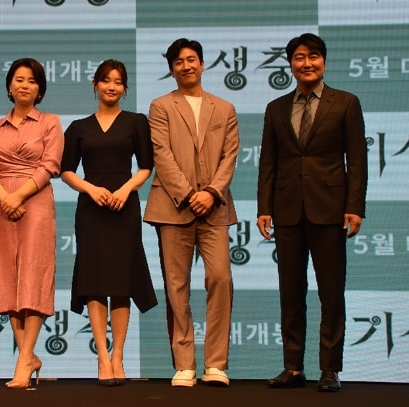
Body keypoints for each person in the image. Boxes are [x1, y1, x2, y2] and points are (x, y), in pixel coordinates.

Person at [257, 33, 367, 393]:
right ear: (290, 64)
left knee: (331, 292)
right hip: (288, 211)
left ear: (324, 61)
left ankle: (330, 369)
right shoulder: (276, 108)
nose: (307, 63)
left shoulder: (346, 103)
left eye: (314, 56)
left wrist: (354, 207)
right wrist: (264, 208)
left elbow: (357, 160)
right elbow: (268, 163)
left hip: (331, 209)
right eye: (300, 57)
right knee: (291, 292)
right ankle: (292, 368)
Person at [143, 38, 239, 388]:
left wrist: (211, 192)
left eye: (192, 59)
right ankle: (184, 363)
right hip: (173, 207)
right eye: (179, 61)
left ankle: (216, 364)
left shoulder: (224, 107)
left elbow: (230, 155)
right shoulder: (161, 106)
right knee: (176, 285)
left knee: (220, 280)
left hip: (215, 208)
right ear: (171, 69)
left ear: (202, 64)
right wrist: (188, 194)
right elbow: (162, 155)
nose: (186, 66)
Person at [61, 59, 157, 386]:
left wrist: (125, 189)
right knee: (94, 280)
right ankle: (102, 356)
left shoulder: (136, 122)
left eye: (118, 81)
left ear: (125, 88)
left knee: (121, 283)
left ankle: (118, 357)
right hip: (91, 210)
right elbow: (66, 170)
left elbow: (146, 166)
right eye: (106, 81)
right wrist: (90, 188)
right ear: (95, 85)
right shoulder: (78, 127)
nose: (111, 86)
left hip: (124, 208)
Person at [0, 58, 64, 389]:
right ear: (9, 86)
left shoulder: (50, 122)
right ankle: (27, 356)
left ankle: (22, 362)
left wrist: (19, 197)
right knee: (5, 280)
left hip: (35, 202)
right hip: (1, 206)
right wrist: (4, 197)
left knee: (33, 277)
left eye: (31, 81)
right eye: (18, 79)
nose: (24, 85)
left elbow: (51, 164)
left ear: (40, 89)